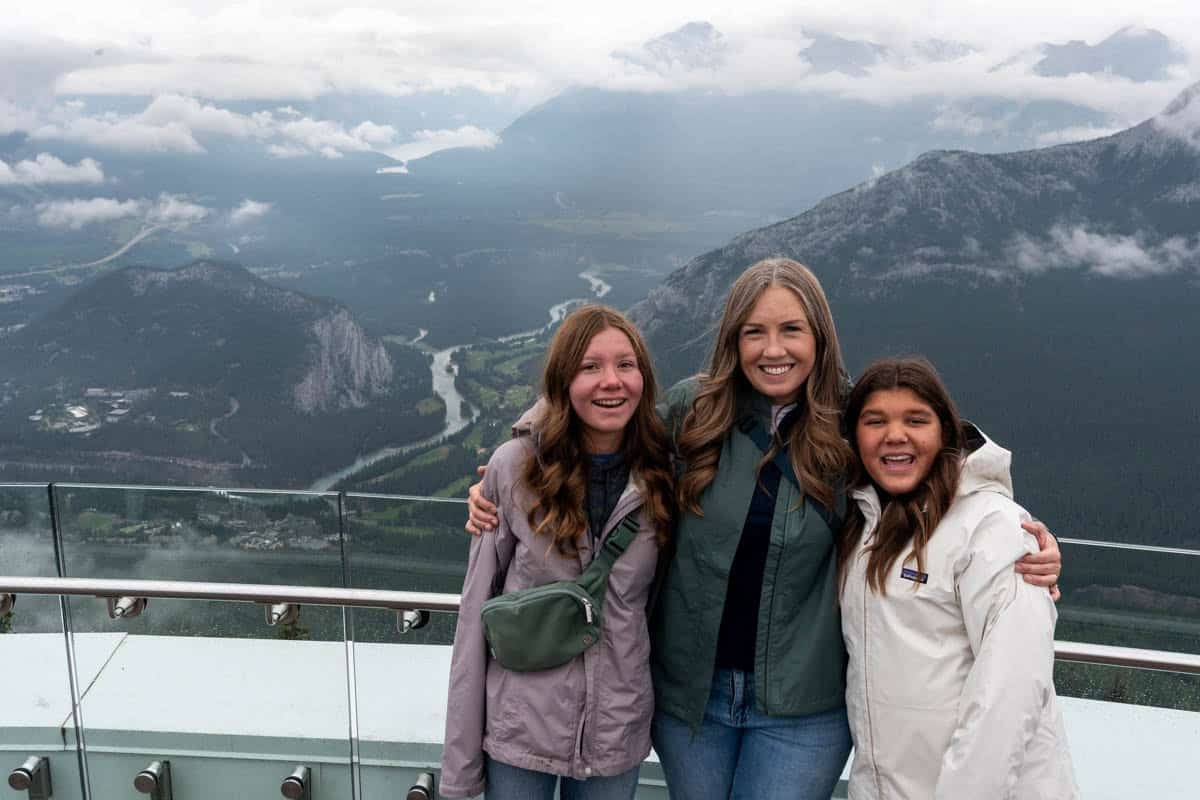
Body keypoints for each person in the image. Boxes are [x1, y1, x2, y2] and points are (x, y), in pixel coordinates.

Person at [465, 258, 1062, 799]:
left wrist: (1013, 530)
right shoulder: (693, 413)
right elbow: (601, 417)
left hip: (803, 711)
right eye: (755, 331)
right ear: (733, 340)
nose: (773, 349)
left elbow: (930, 462)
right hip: (691, 702)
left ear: (819, 338)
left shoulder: (850, 424)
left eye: (791, 330)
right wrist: (509, 462)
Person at [439, 304, 677, 800]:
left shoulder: (665, 471)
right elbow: (472, 621)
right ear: (562, 380)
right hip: (520, 726)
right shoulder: (515, 468)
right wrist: (459, 774)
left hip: (617, 726)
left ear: (644, 378)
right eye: (590, 367)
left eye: (625, 365)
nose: (611, 381)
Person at [838, 357, 1077, 798]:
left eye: (916, 420)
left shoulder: (994, 528)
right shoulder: (862, 524)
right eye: (875, 421)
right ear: (854, 436)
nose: (895, 435)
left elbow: (1010, 694)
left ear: (945, 431)